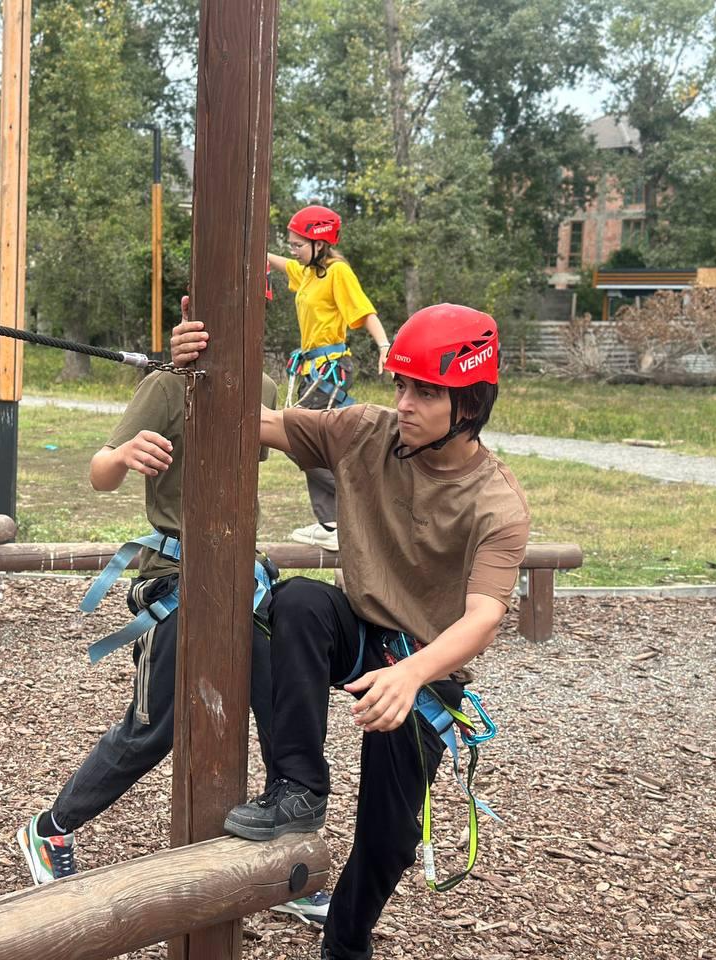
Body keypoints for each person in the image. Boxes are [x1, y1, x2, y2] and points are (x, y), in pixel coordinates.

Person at [171, 304, 529, 960]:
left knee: (388, 840)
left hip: (424, 670)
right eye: (401, 385)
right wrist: (192, 370)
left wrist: (413, 673)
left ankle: (345, 941)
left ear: (471, 402)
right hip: (356, 628)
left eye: (426, 391)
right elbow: (260, 423)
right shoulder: (364, 431)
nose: (406, 403)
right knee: (297, 603)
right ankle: (299, 788)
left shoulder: (496, 502)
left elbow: (483, 616)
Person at [16, 297, 280, 886]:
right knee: (154, 727)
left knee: (281, 700)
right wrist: (125, 454)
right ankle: (51, 826)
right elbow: (98, 470)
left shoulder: (262, 383)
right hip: (178, 576)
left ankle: (277, 849)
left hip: (241, 574)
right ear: (195, 311)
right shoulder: (166, 387)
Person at [268, 205, 390, 553]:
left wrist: (384, 346)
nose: (293, 250)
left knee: (296, 435)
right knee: (308, 442)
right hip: (311, 372)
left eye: (298, 245)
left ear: (320, 244)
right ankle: (334, 523)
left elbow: (364, 311)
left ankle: (355, 505)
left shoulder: (337, 272)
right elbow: (285, 265)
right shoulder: (307, 272)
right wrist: (258, 254)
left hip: (331, 371)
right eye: (290, 244)